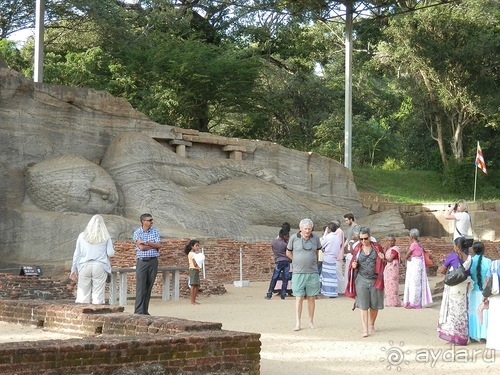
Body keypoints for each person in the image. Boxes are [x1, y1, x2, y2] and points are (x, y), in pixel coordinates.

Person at [347, 226, 385, 338]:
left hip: (375, 279)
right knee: (363, 306)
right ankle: (365, 329)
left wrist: (383, 259)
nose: (363, 241)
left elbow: (384, 264)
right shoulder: (358, 248)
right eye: (361, 239)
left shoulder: (377, 247)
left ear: (370, 236)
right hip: (362, 279)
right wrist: (354, 265)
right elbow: (353, 262)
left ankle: (371, 324)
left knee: (374, 305)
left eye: (365, 238)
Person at [70, 214, 115, 305]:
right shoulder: (105, 236)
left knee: (82, 294)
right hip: (100, 265)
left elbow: (77, 254)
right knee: (98, 294)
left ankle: (81, 314)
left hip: (84, 265)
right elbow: (110, 253)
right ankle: (97, 313)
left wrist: (73, 269)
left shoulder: (82, 236)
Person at [286, 218, 322, 331]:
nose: (307, 231)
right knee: (299, 297)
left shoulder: (315, 238)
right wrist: (295, 260)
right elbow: (288, 252)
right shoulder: (293, 238)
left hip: (312, 272)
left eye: (309, 229)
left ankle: (311, 321)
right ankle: (298, 322)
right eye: (305, 229)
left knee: (311, 297)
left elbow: (317, 251)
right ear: (300, 229)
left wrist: (313, 261)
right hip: (298, 272)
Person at [437, 236, 472, 345]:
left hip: (454, 287)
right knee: (461, 311)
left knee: (452, 311)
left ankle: (453, 337)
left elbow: (442, 270)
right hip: (463, 287)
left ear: (457, 247)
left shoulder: (452, 256)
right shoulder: (469, 258)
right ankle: (462, 337)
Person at [132, 213, 162, 315]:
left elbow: (159, 245)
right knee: (141, 286)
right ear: (143, 221)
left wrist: (147, 243)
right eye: (149, 220)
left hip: (153, 261)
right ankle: (139, 310)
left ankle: (145, 310)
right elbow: (141, 248)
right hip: (142, 261)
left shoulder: (155, 231)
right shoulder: (137, 233)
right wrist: (153, 245)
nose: (151, 222)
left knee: (149, 286)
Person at [402, 228, 433, 309]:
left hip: (415, 266)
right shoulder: (419, 244)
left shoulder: (414, 245)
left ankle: (413, 303)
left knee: (413, 284)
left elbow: (406, 255)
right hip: (418, 266)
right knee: (417, 284)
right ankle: (416, 302)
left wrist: (407, 257)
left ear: (411, 236)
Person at [468, 241, 491, 341]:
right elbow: (488, 279)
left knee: (473, 312)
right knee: (484, 312)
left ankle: (472, 335)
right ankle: (483, 335)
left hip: (473, 291)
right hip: (484, 293)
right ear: (484, 250)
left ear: (473, 250)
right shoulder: (488, 262)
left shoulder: (470, 261)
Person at [265, 229, 291, 300]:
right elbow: (289, 252)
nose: (288, 237)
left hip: (278, 261)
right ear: (284, 236)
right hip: (286, 261)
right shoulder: (285, 244)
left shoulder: (273, 242)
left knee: (274, 278)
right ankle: (283, 294)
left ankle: (269, 293)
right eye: (287, 236)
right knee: (285, 278)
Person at [320, 221, 342, 298]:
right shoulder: (337, 238)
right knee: (333, 275)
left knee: (326, 275)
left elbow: (321, 245)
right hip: (334, 258)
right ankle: (333, 292)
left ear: (329, 229)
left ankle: (327, 292)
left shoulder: (328, 237)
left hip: (327, 257)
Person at [483, 255, 500, 350]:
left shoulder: (494, 264)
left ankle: (494, 343)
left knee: (494, 320)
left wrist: (484, 296)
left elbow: (487, 281)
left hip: (495, 296)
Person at [383, 234, 401, 307]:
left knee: (392, 284)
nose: (390, 242)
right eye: (389, 241)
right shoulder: (389, 249)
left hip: (392, 267)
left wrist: (382, 258)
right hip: (388, 268)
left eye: (392, 241)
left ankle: (394, 302)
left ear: (394, 241)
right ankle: (389, 301)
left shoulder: (395, 249)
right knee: (388, 284)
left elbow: (390, 259)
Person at [185, 239, 202, 305]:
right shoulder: (192, 254)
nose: (198, 247)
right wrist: (200, 260)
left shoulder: (194, 254)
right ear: (192, 246)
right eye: (196, 245)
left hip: (196, 269)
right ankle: (192, 301)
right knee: (193, 285)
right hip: (193, 269)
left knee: (197, 285)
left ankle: (194, 300)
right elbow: (195, 264)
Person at [333, 219, 346, 294]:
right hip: (336, 255)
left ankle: (341, 290)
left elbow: (338, 243)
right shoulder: (337, 232)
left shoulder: (339, 232)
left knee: (339, 273)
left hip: (338, 255)